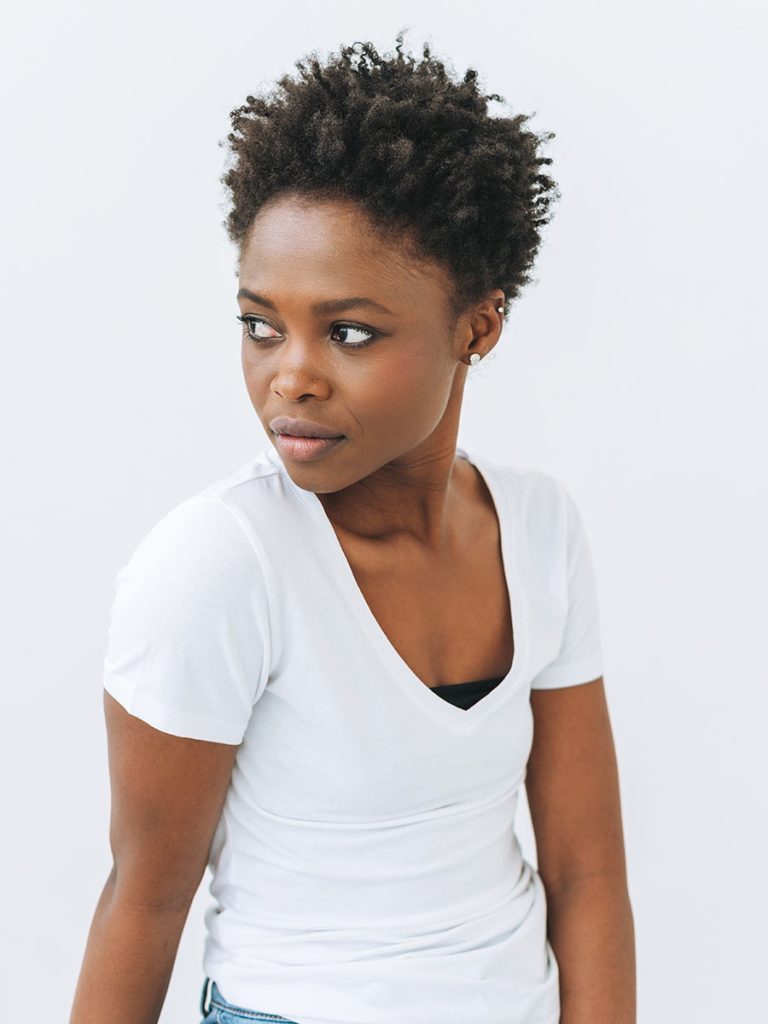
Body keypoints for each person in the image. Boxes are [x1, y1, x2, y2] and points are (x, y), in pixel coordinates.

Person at [69, 33, 635, 1024]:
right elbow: (146, 898)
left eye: (349, 332)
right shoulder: (221, 563)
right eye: (261, 324)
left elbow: (585, 874)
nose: (289, 376)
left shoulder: (539, 529)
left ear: (478, 326)